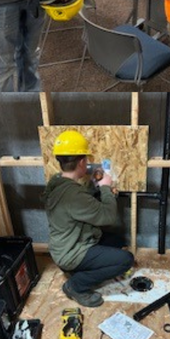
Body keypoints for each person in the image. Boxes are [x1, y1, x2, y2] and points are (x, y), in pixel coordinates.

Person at [42, 130, 133, 308]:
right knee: (126, 260)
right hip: (70, 254)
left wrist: (94, 187)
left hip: (62, 246)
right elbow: (108, 217)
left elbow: (77, 205)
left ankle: (77, 270)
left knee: (117, 241)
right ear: (82, 162)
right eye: (87, 160)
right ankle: (75, 286)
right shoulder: (73, 194)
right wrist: (105, 187)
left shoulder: (56, 182)